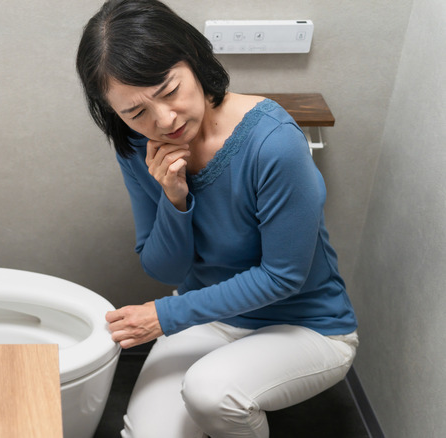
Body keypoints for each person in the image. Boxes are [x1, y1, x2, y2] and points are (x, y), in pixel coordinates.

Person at [75, 1, 359, 437]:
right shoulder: (136, 147)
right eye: (135, 112)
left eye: (170, 91)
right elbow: (164, 267)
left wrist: (164, 316)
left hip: (306, 326)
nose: (163, 120)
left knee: (212, 393)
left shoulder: (273, 142)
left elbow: (283, 277)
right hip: (211, 317)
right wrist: (174, 200)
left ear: (194, 58)